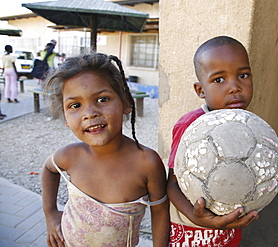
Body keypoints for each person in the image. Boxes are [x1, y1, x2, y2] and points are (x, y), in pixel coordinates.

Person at [41, 53, 169, 247]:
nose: (90, 113)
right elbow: (49, 169)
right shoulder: (69, 156)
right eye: (75, 105)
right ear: (66, 119)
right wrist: (50, 214)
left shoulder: (147, 163)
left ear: (126, 102)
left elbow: (160, 213)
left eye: (102, 99)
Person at [167, 36, 259, 246]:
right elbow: (171, 184)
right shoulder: (190, 126)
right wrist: (195, 215)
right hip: (192, 231)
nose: (235, 87)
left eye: (243, 75)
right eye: (219, 80)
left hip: (229, 230)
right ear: (200, 90)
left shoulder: (251, 128)